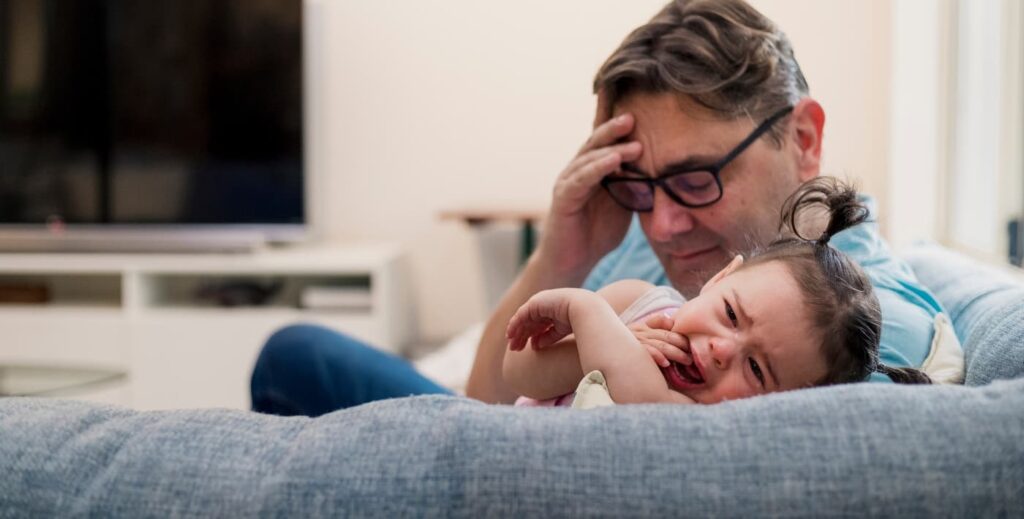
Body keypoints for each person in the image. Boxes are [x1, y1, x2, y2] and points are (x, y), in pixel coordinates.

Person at [250, 0, 949, 416]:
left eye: (697, 177)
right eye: (639, 188)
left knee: (293, 361)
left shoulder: (865, 325)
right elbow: (491, 394)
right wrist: (565, 251)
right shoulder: (668, 258)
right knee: (293, 350)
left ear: (802, 139)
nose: (664, 223)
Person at [504, 179, 929, 408]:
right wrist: (593, 344)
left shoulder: (705, 419)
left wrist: (587, 312)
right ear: (722, 277)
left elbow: (643, 405)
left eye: (758, 370)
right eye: (730, 314)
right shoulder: (637, 303)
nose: (724, 349)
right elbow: (518, 372)